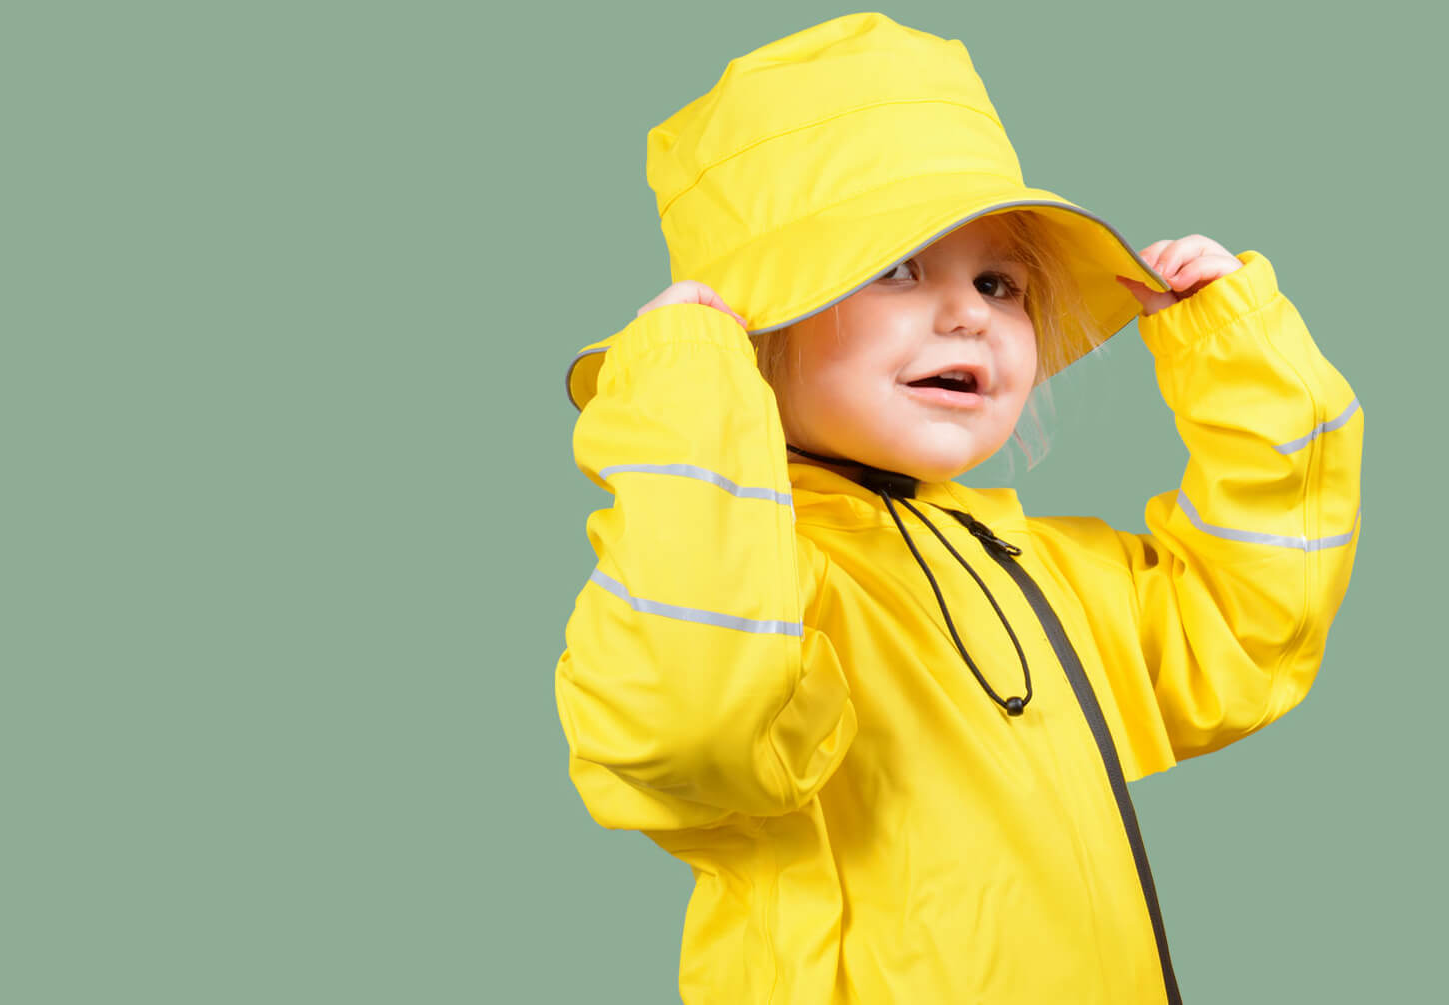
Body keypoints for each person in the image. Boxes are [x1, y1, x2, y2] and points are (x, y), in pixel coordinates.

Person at [552, 12, 1362, 1004]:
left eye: (999, 281)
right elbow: (696, 734)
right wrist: (690, 409)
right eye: (895, 267)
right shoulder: (742, 578)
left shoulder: (1034, 567)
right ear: (749, 338)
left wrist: (1239, 359)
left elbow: (1244, 630)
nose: (970, 311)